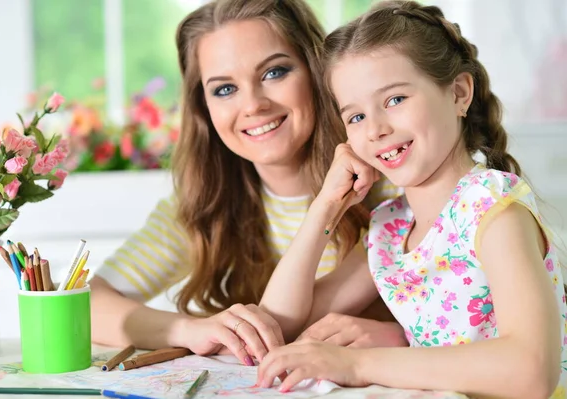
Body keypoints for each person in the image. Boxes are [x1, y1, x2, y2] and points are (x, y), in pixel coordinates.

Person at [257, 1, 567, 398]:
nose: (376, 130)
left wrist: (355, 364)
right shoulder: (391, 228)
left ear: (458, 93)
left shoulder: (492, 209)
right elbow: (279, 323)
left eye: (394, 100)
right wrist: (326, 206)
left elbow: (531, 372)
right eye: (355, 117)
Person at [89, 0, 403, 367]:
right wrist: (190, 330)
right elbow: (86, 304)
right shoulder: (204, 206)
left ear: (317, 72)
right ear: (203, 108)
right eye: (224, 89)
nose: (253, 105)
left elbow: (280, 326)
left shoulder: (394, 183)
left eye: (275, 72)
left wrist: (404, 337)